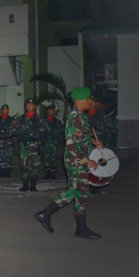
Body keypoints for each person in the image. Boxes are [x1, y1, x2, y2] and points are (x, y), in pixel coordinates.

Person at [34, 87, 103, 240]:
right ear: (80, 101)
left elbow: (80, 138)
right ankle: (45, 214)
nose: (90, 102)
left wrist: (93, 142)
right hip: (76, 161)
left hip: (80, 160)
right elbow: (71, 144)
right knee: (75, 192)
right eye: (88, 99)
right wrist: (88, 160)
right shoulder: (75, 118)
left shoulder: (81, 116)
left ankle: (81, 228)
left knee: (82, 194)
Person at [14, 98, 47, 192]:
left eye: (31, 105)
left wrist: (35, 134)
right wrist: (20, 134)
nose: (29, 107)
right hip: (24, 146)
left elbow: (46, 130)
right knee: (24, 165)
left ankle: (33, 186)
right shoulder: (20, 118)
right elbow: (12, 130)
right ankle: (25, 185)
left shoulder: (39, 119)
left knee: (35, 166)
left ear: (35, 106)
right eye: (27, 105)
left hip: (35, 146)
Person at [0, 104, 14, 178]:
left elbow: (15, 129)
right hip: (0, 140)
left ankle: (7, 172)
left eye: (6, 109)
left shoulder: (11, 120)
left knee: (8, 156)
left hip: (8, 140)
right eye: (3, 110)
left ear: (8, 111)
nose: (4, 111)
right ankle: (2, 171)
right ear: (1, 111)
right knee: (1, 156)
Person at [42, 105, 63, 179]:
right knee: (46, 158)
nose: (50, 112)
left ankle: (53, 173)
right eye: (49, 111)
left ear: (54, 112)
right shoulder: (43, 121)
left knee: (53, 158)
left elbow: (60, 131)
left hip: (54, 142)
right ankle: (47, 173)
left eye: (52, 110)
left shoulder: (57, 122)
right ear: (47, 112)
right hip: (45, 142)